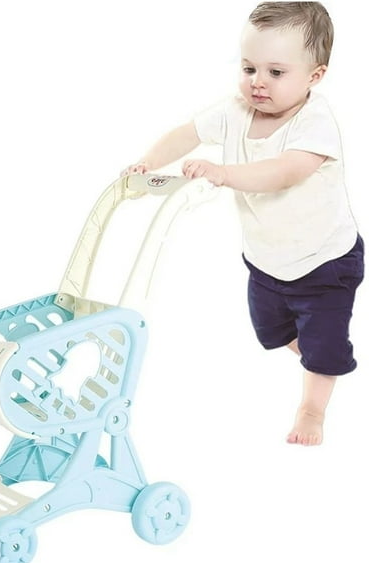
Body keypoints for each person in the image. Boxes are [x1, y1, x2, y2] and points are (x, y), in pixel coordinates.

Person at [123, 1, 364, 446]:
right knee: (271, 332)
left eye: (276, 72)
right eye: (249, 67)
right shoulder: (235, 110)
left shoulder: (314, 123)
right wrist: (148, 162)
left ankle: (313, 406)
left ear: (314, 76)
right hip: (266, 259)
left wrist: (223, 173)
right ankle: (319, 350)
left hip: (325, 260)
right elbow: (187, 133)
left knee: (322, 345)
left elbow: (284, 172)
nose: (257, 82)